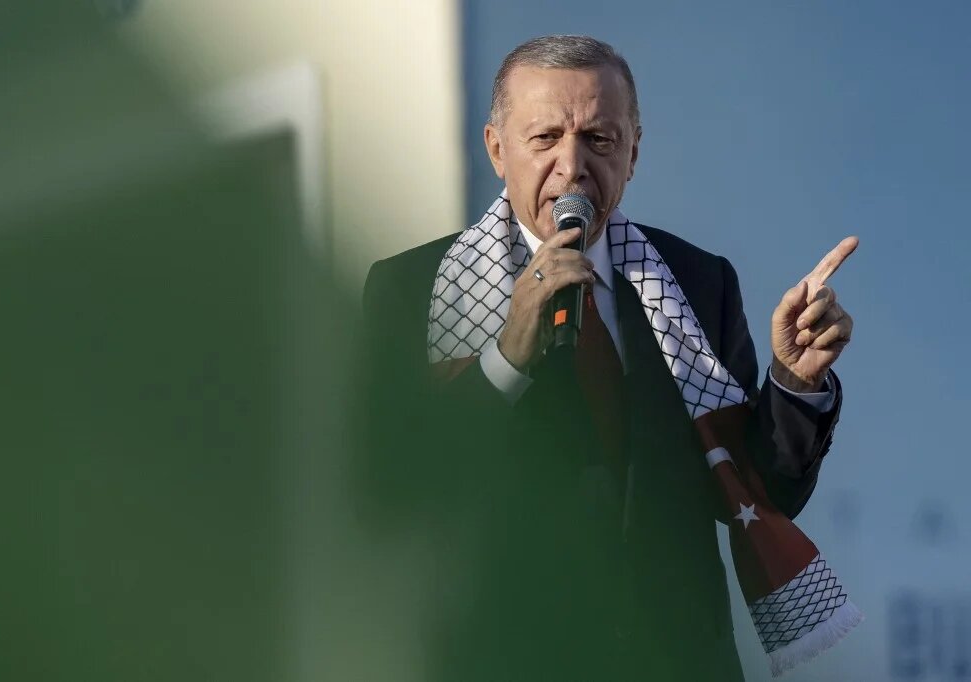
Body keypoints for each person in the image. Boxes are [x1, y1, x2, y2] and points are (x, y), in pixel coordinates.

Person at [360, 35, 856, 681]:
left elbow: (757, 492)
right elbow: (394, 487)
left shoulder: (696, 281)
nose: (572, 166)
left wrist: (794, 381)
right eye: (545, 138)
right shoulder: (411, 288)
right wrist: (505, 359)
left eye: (598, 139)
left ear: (632, 154)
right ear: (497, 149)